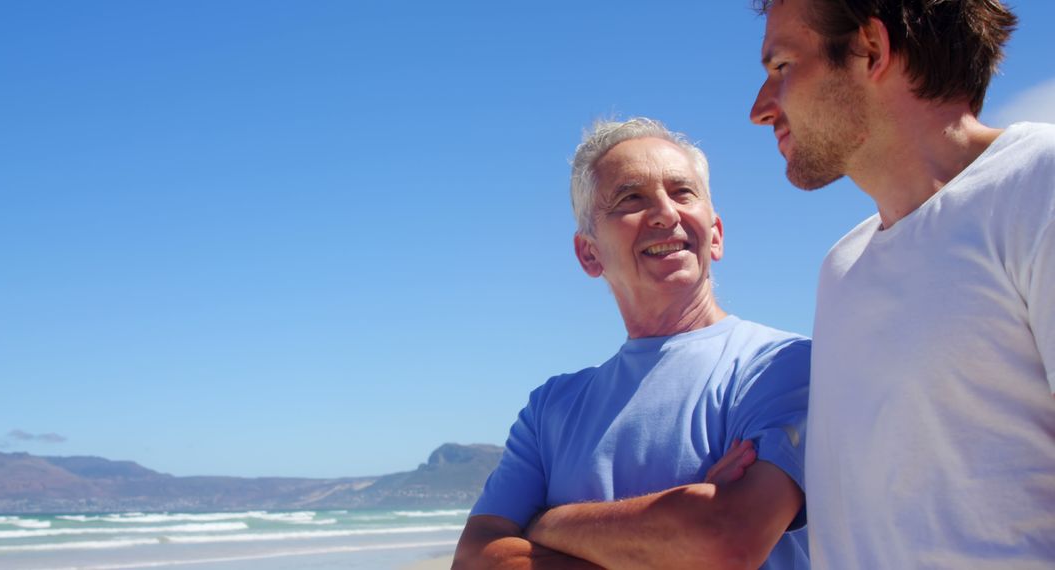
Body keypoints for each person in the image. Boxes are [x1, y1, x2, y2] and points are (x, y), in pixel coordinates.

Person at [749, 0, 1055, 567]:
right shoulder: (840, 269)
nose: (760, 109)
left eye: (781, 67)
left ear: (870, 48)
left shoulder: (1040, 182)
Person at [452, 117, 811, 569]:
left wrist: (546, 524)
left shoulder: (783, 366)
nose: (665, 213)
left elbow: (727, 540)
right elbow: (473, 560)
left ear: (715, 233)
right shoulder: (550, 409)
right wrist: (675, 527)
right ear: (589, 253)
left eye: (683, 192)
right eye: (631, 197)